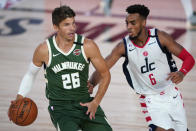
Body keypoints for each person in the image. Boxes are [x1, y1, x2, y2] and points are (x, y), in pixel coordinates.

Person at [89, 4, 195, 131]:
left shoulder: (160, 37)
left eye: (133, 23)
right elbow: (103, 68)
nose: (129, 27)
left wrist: (182, 73)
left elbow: (189, 58)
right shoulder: (123, 46)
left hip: (171, 93)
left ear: (144, 22)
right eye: (127, 23)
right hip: (149, 98)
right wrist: (91, 83)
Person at [9, 5, 112, 131]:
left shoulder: (87, 45)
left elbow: (105, 74)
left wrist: (95, 102)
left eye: (73, 23)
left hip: (85, 103)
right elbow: (31, 74)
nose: (72, 28)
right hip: (60, 108)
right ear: (55, 27)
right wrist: (20, 96)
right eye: (66, 24)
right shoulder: (44, 50)